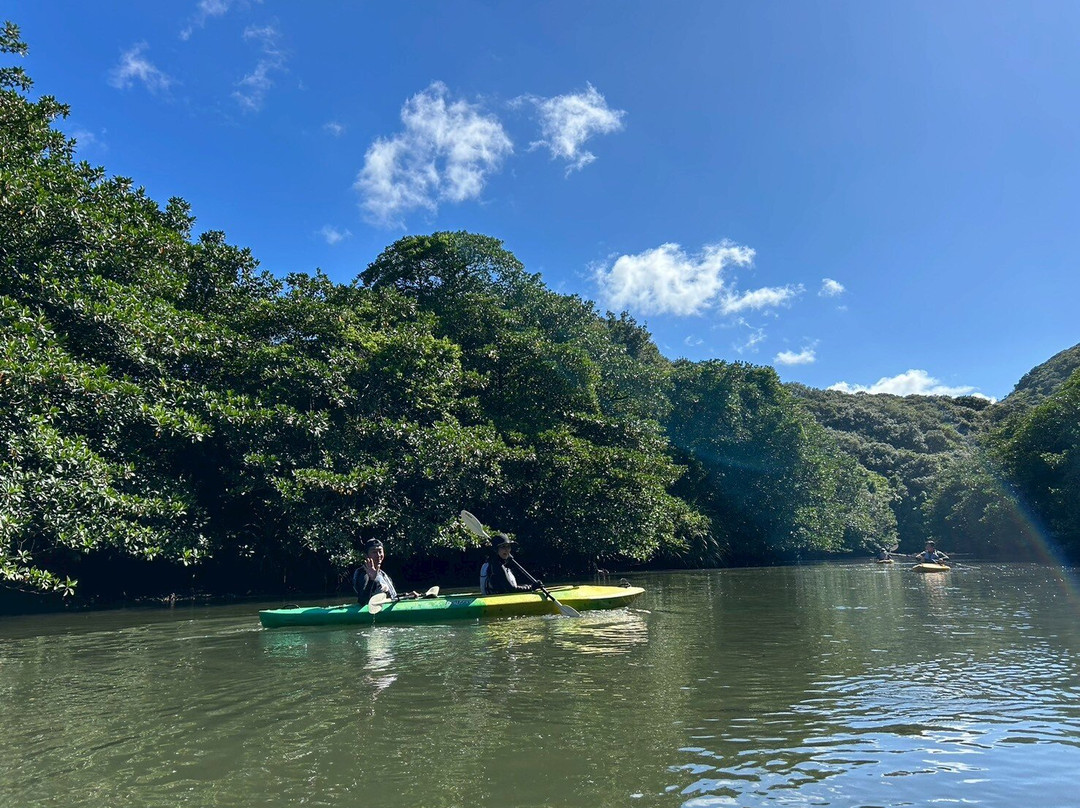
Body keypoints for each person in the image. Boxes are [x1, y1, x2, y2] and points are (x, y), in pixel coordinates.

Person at [352, 539, 418, 603]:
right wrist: (371, 580)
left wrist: (406, 595)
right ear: (366, 555)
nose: (378, 555)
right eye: (374, 552)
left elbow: (392, 597)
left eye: (380, 551)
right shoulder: (364, 574)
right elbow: (363, 601)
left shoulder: (382, 574)